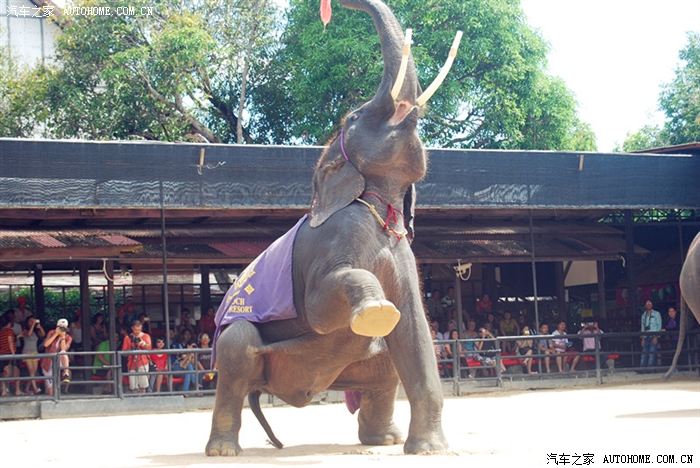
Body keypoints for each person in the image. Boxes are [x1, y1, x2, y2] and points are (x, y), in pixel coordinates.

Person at [40, 318, 73, 396]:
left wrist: (63, 337)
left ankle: (66, 373)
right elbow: (46, 344)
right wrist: (55, 334)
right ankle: (53, 399)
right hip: (48, 362)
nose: (62, 329)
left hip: (59, 360)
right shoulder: (51, 332)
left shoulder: (68, 337)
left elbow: (64, 349)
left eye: (64, 327)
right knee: (51, 389)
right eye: (60, 327)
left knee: (63, 353)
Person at [121, 320, 152, 394]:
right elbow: (124, 353)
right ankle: (135, 398)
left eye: (139, 329)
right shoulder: (127, 338)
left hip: (143, 362)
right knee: (133, 386)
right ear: (132, 328)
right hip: (131, 363)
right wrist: (131, 348)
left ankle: (142, 398)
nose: (137, 331)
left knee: (143, 385)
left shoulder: (146, 336)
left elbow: (149, 348)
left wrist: (143, 344)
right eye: (135, 329)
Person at [18, 316, 45, 394]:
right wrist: (33, 324)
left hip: (35, 352)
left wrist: (39, 326)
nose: (32, 322)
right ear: (27, 322)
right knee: (31, 371)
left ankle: (27, 389)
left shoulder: (36, 332)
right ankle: (35, 388)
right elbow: (29, 334)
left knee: (33, 372)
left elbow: (43, 334)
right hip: (27, 352)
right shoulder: (25, 330)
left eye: (33, 321)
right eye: (30, 321)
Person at [1, 314, 22, 396]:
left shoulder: (1, 331)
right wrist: (13, 354)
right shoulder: (9, 331)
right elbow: (10, 342)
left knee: (3, 373)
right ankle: (17, 390)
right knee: (17, 372)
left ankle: (4, 391)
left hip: (2, 354)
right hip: (9, 353)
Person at [639, 299, 662, 370]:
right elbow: (642, 327)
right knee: (644, 355)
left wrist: (656, 337)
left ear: (652, 304)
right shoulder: (643, 315)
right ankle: (641, 370)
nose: (648, 304)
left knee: (651, 355)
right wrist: (643, 339)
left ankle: (648, 371)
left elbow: (659, 326)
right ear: (645, 305)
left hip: (653, 336)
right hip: (646, 337)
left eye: (650, 303)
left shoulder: (657, 314)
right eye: (647, 303)